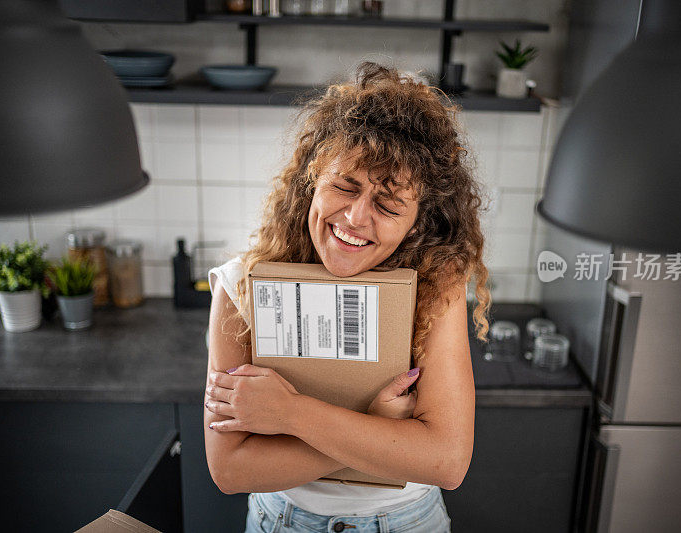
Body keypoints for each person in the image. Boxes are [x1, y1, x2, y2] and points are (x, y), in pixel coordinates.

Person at [204, 61, 491, 533]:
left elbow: (446, 461)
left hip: (405, 522)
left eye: (388, 204)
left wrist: (290, 414)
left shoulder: (436, 289)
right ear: (311, 180)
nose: (356, 218)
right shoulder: (241, 287)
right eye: (344, 186)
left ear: (417, 219)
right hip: (283, 521)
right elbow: (231, 471)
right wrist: (376, 425)